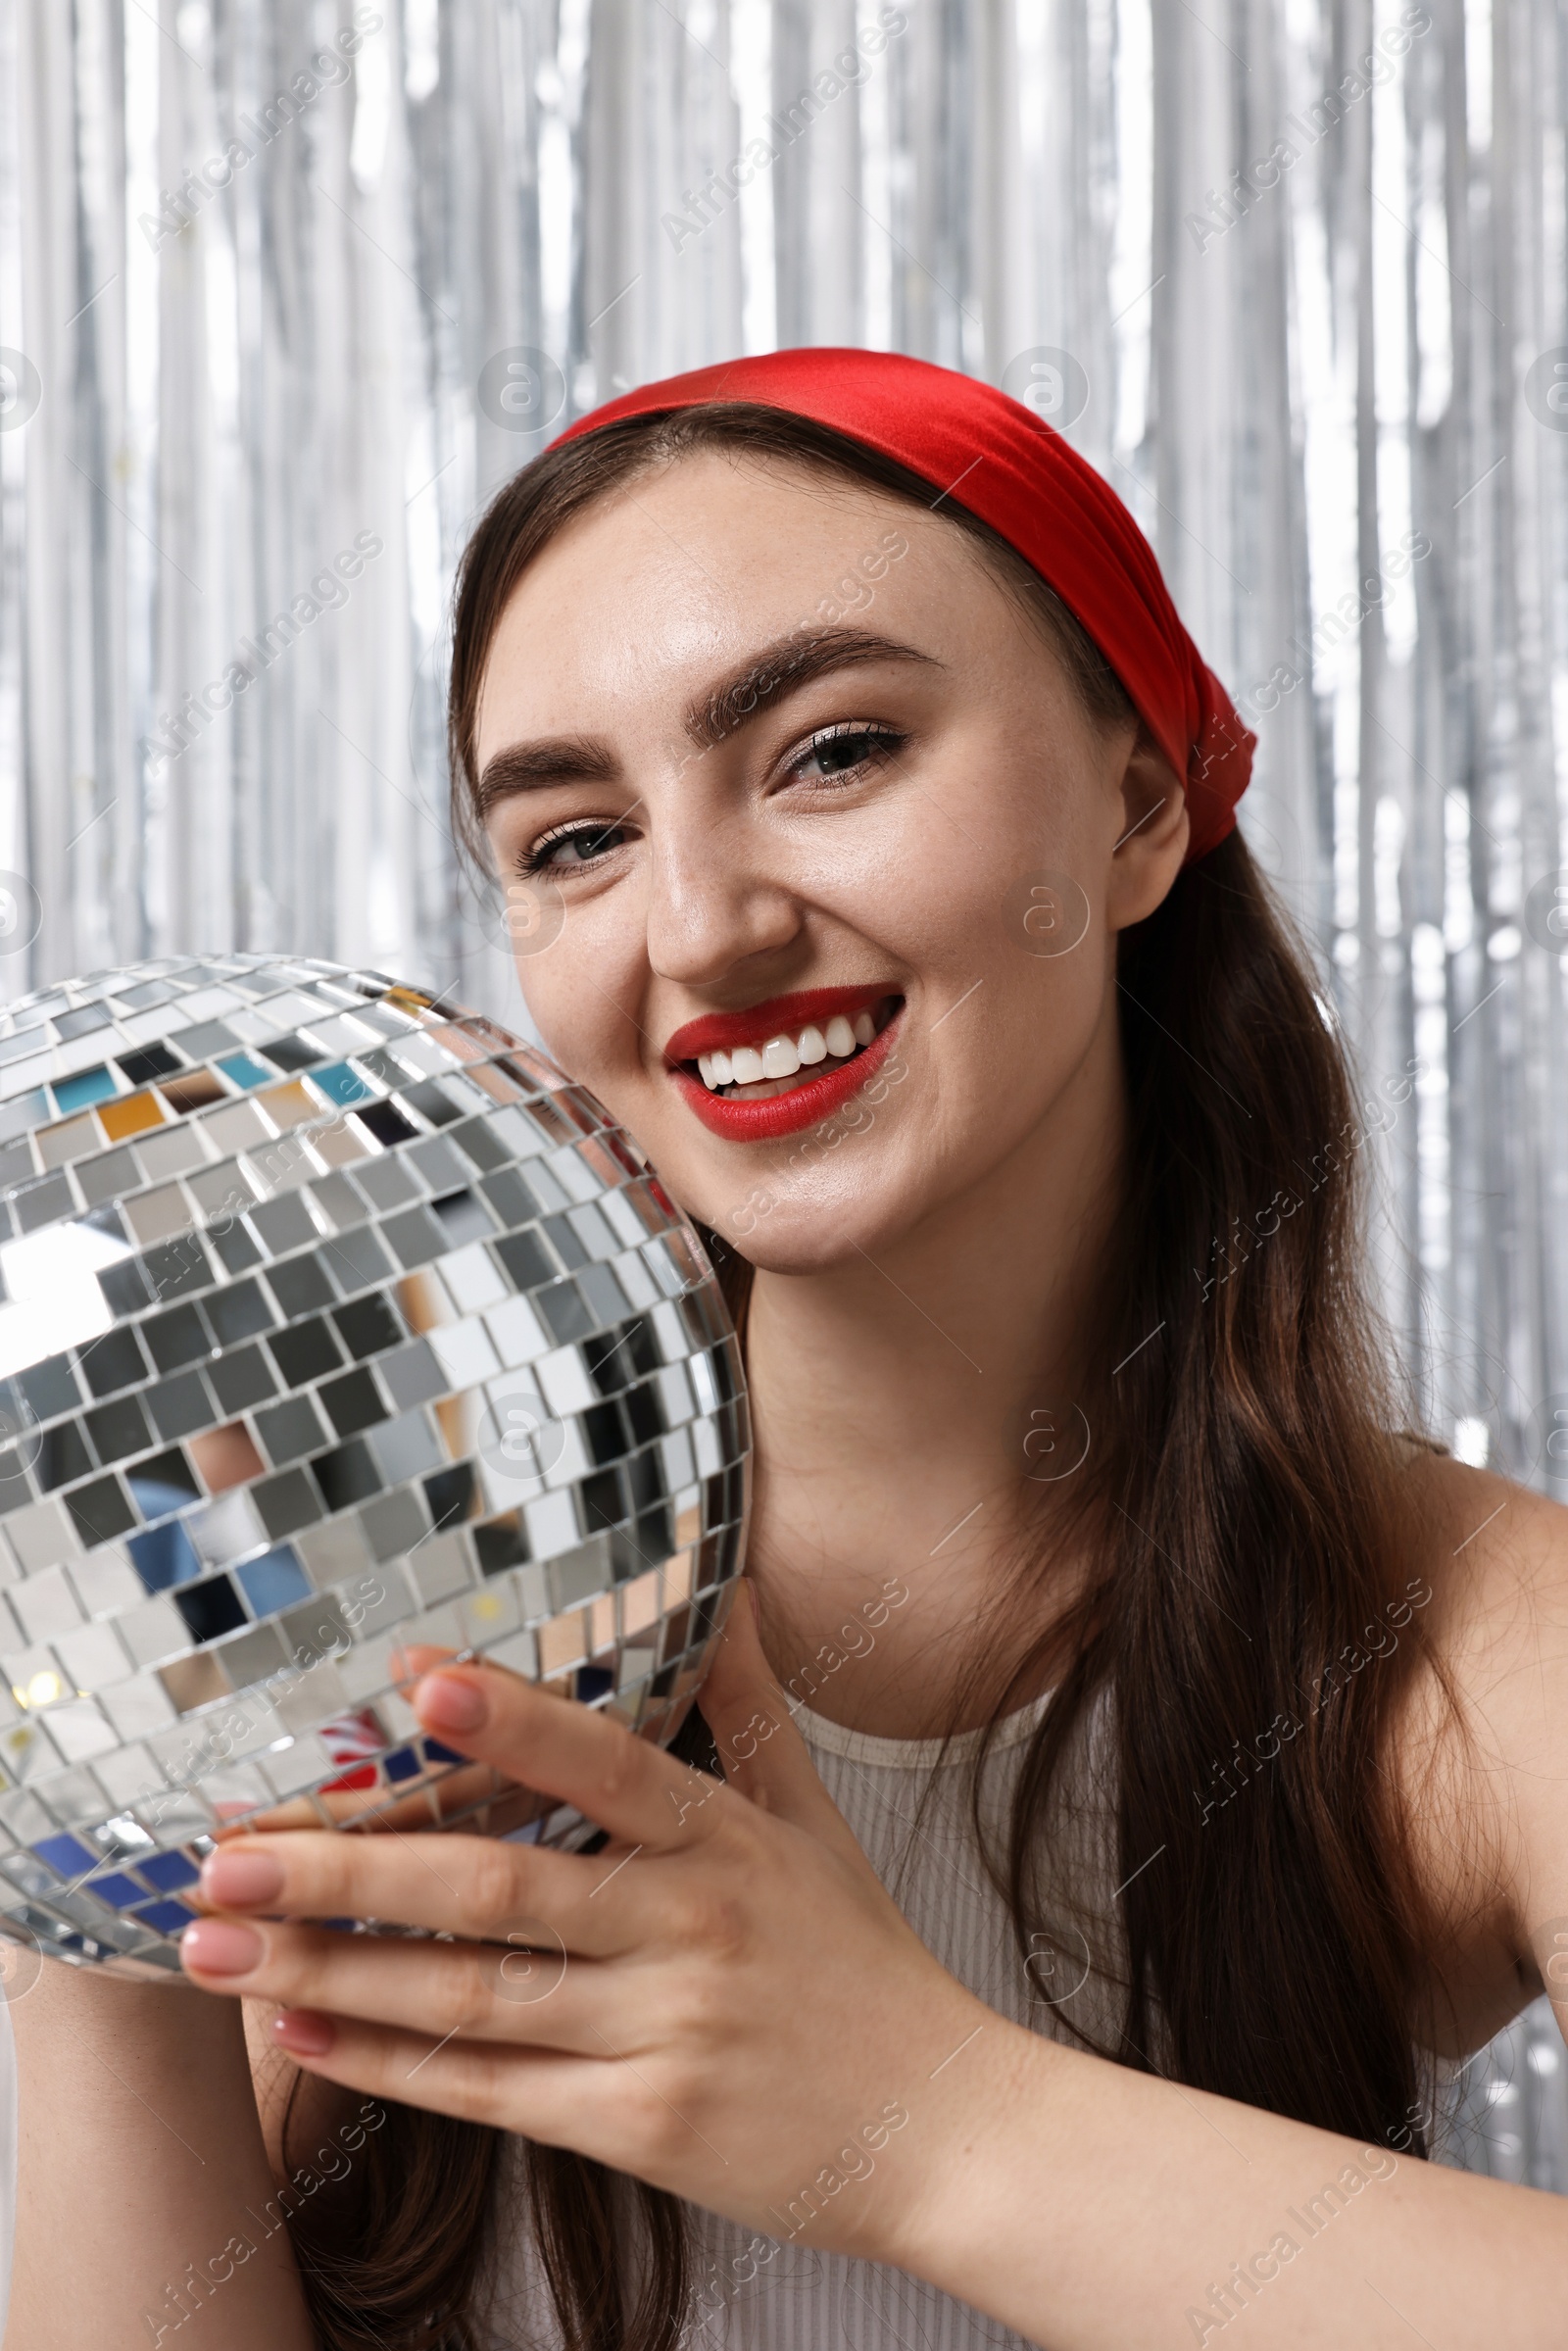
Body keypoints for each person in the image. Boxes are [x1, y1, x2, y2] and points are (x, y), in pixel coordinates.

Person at [8, 350, 1566, 2351]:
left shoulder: (1466, 1644)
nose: (705, 925)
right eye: (574, 838)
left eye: (830, 752)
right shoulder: (398, 1635)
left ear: (1137, 798)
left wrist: (917, 2119)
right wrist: (92, 1846)